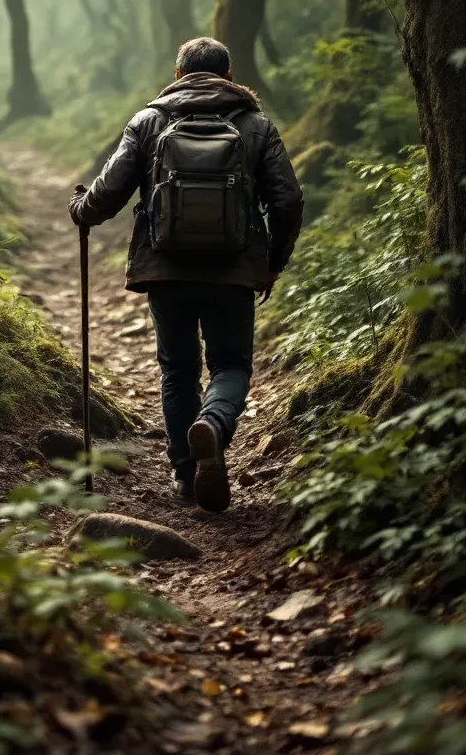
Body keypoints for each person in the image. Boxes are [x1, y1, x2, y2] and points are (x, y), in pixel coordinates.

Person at [68, 36, 303, 513]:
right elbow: (288, 200)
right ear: (230, 77)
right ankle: (213, 427)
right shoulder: (257, 125)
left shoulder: (150, 120)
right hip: (234, 270)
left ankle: (185, 473)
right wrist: (272, 262)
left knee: (177, 370)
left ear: (177, 77)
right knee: (230, 366)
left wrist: (81, 212)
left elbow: (109, 191)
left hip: (166, 269)